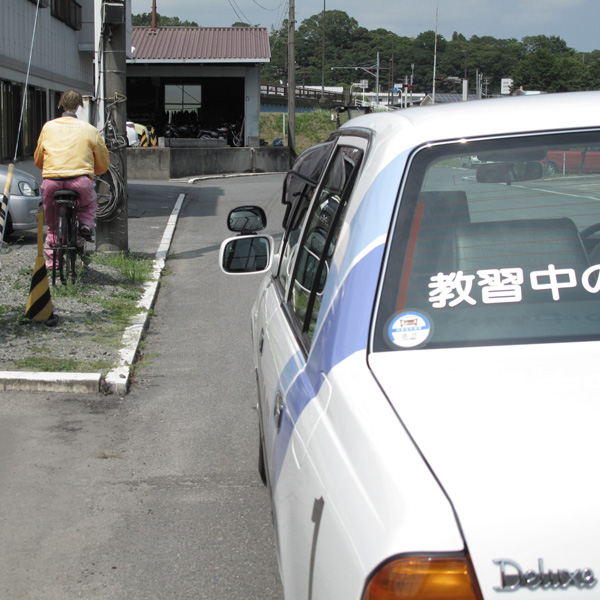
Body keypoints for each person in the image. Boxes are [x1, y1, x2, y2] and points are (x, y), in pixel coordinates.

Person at [34, 89, 110, 268]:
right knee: (88, 204)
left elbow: (39, 158)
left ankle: (53, 263)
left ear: (61, 104)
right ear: (79, 106)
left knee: (52, 227)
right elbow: (102, 161)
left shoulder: (48, 127)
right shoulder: (90, 130)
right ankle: (84, 225)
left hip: (51, 181)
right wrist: (94, 171)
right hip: (80, 180)